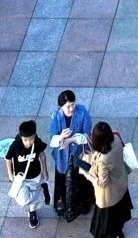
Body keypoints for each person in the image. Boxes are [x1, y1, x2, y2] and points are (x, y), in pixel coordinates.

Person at [47, 91, 94, 219]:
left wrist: (71, 140)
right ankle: (63, 205)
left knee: (80, 179)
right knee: (63, 180)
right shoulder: (56, 116)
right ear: (61, 106)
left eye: (73, 105)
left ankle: (82, 205)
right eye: (68, 106)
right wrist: (61, 137)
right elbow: (53, 138)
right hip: (63, 156)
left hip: (79, 154)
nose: (71, 108)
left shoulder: (82, 112)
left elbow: (87, 135)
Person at [81, 121, 131, 238]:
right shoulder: (116, 140)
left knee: (106, 225)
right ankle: (118, 233)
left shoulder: (103, 159)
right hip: (120, 184)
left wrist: (88, 175)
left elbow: (102, 183)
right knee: (118, 217)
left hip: (108, 196)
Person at [7, 118, 50, 228]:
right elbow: (7, 158)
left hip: (36, 175)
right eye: (25, 140)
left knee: (33, 196)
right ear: (21, 137)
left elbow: (42, 155)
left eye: (31, 139)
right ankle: (42, 191)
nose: (28, 142)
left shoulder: (37, 143)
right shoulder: (16, 145)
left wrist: (45, 171)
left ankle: (32, 212)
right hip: (21, 178)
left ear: (34, 136)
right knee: (22, 200)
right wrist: (10, 174)